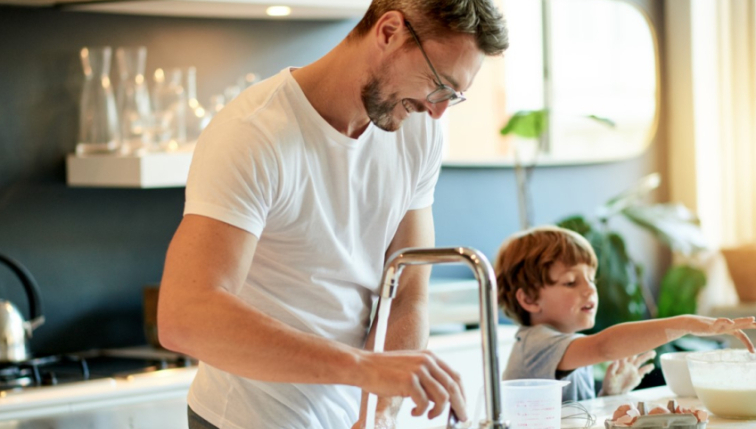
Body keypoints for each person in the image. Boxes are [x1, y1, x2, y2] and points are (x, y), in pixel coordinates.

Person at [156, 1, 509, 428]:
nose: (438, 110)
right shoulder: (255, 133)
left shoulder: (418, 130)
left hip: (348, 415)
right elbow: (185, 316)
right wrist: (363, 369)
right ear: (389, 32)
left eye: (454, 96)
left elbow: (407, 289)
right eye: (439, 84)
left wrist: (378, 411)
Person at [494, 225, 756, 402]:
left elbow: (574, 417)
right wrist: (687, 323)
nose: (590, 290)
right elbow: (605, 346)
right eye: (571, 282)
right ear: (529, 299)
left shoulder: (568, 347)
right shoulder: (536, 344)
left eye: (591, 279)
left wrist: (608, 394)